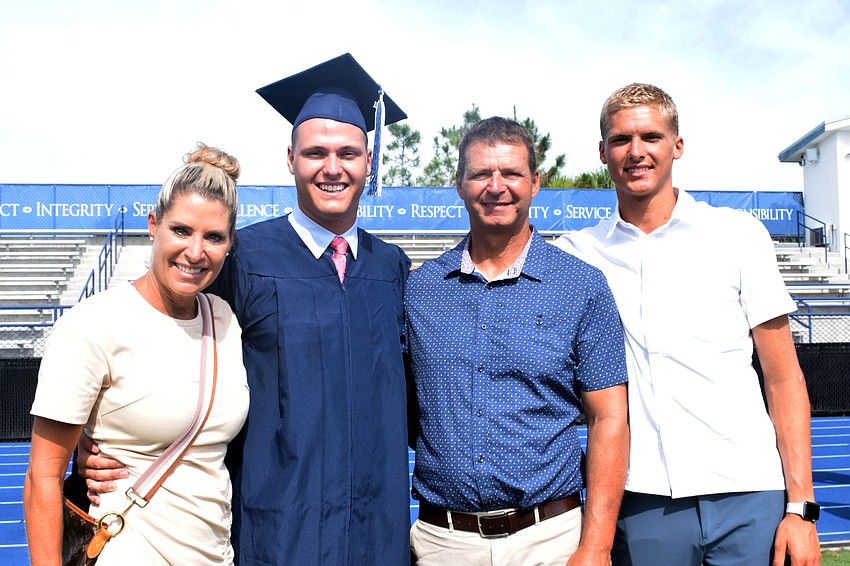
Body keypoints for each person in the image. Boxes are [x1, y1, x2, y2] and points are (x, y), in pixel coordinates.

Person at [77, 54, 412, 565]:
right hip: (277, 528)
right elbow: (157, 346)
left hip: (375, 529)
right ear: (290, 158)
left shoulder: (392, 269)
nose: (332, 167)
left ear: (369, 161)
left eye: (348, 153)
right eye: (315, 152)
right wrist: (89, 439)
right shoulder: (242, 258)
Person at [554, 83, 820, 566]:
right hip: (642, 501)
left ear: (677, 145)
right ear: (602, 153)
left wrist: (801, 508)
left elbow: (784, 378)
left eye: (651, 137)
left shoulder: (738, 234)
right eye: (620, 140)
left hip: (750, 493)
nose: (636, 152)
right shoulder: (576, 254)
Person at [405, 116, 630, 566]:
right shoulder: (420, 288)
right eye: (480, 174)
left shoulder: (581, 286)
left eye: (510, 173)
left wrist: (596, 546)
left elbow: (609, 420)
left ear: (535, 182)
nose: (496, 186)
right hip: (444, 544)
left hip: (552, 539)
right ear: (459, 184)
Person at [23, 143, 250, 564]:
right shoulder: (93, 324)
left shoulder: (224, 320)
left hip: (215, 556)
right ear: (153, 225)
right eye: (181, 230)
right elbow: (42, 476)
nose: (195, 251)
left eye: (213, 237)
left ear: (230, 242)